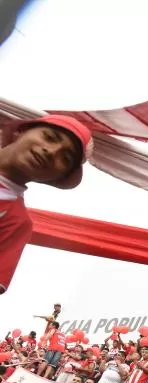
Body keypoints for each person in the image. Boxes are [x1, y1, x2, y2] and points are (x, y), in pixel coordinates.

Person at [0, 115, 92, 295]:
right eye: (49, 137)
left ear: (58, 177)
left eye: (65, 158)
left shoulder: (16, 222)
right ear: (21, 132)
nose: (51, 151)